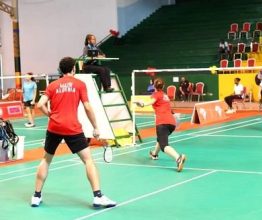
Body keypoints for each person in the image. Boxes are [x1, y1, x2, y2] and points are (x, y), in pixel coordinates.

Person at [31, 57, 116, 208]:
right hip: (72, 128)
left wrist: (50, 115)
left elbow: (39, 104)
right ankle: (98, 196)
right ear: (73, 69)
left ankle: (36, 196)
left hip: (54, 127)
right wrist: (96, 127)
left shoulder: (52, 85)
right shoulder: (79, 84)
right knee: (88, 160)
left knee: (46, 159)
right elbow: (88, 107)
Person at [135, 78, 186, 172]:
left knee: (164, 145)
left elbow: (150, 102)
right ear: (164, 86)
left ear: (154, 86)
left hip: (162, 122)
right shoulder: (165, 96)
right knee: (160, 139)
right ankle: (154, 154)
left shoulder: (156, 94)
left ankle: (178, 158)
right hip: (171, 123)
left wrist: (142, 104)